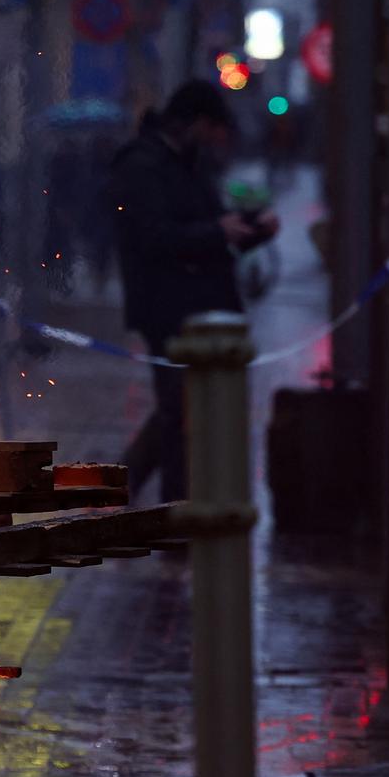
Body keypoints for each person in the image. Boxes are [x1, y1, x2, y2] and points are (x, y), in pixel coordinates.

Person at [110, 79, 278, 502]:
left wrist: (251, 229)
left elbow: (210, 225)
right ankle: (175, 513)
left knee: (179, 407)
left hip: (202, 308)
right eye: (213, 129)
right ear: (196, 123)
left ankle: (116, 488)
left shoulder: (190, 162)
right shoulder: (142, 164)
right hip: (166, 308)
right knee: (179, 413)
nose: (216, 140)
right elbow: (155, 236)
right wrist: (217, 230)